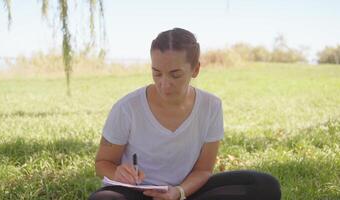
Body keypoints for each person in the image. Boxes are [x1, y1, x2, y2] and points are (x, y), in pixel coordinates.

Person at [89, 28, 281, 200]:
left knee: (264, 186)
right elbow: (103, 163)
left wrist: (178, 192)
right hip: (137, 193)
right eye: (157, 73)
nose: (164, 83)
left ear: (195, 69)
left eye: (175, 74)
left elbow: (204, 169)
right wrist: (118, 172)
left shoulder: (211, 106)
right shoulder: (127, 108)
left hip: (186, 192)